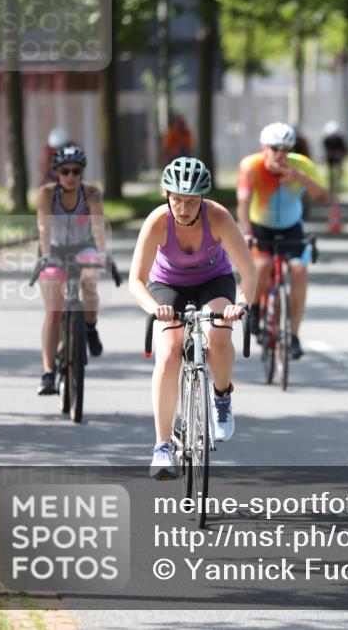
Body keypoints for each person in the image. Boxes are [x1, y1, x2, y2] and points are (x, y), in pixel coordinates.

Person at [128, 157, 257, 479]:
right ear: (166, 195)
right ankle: (161, 446)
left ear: (202, 200)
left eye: (191, 201)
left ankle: (222, 395)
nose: (184, 208)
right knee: (169, 350)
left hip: (213, 281)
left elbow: (249, 270)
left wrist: (240, 304)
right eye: (177, 200)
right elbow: (136, 280)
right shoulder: (158, 221)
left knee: (219, 333)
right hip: (167, 285)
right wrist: (152, 309)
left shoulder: (219, 218)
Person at [236, 122, 328, 360]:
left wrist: (299, 177)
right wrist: (246, 232)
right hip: (260, 227)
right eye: (275, 148)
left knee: (299, 270)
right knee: (263, 265)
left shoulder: (300, 165)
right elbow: (243, 204)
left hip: (291, 227)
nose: (281, 154)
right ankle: (255, 309)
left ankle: (294, 335)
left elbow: (323, 196)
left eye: (286, 148)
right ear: (264, 147)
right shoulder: (251, 166)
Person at [35, 145, 109, 395]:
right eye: (65, 171)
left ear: (81, 172)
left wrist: (102, 254)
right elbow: (44, 228)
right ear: (56, 172)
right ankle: (47, 372)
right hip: (53, 250)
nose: (70, 176)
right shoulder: (46, 194)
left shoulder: (91, 194)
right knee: (54, 311)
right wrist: (46, 257)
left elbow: (98, 228)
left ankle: (89, 326)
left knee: (90, 281)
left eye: (76, 171)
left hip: (83, 247)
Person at [322, 121, 348, 195]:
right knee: (330, 172)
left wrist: (338, 154)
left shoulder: (340, 140)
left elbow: (344, 151)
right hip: (330, 158)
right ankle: (331, 185)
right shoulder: (326, 140)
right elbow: (325, 151)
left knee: (339, 169)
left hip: (338, 158)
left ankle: (340, 183)